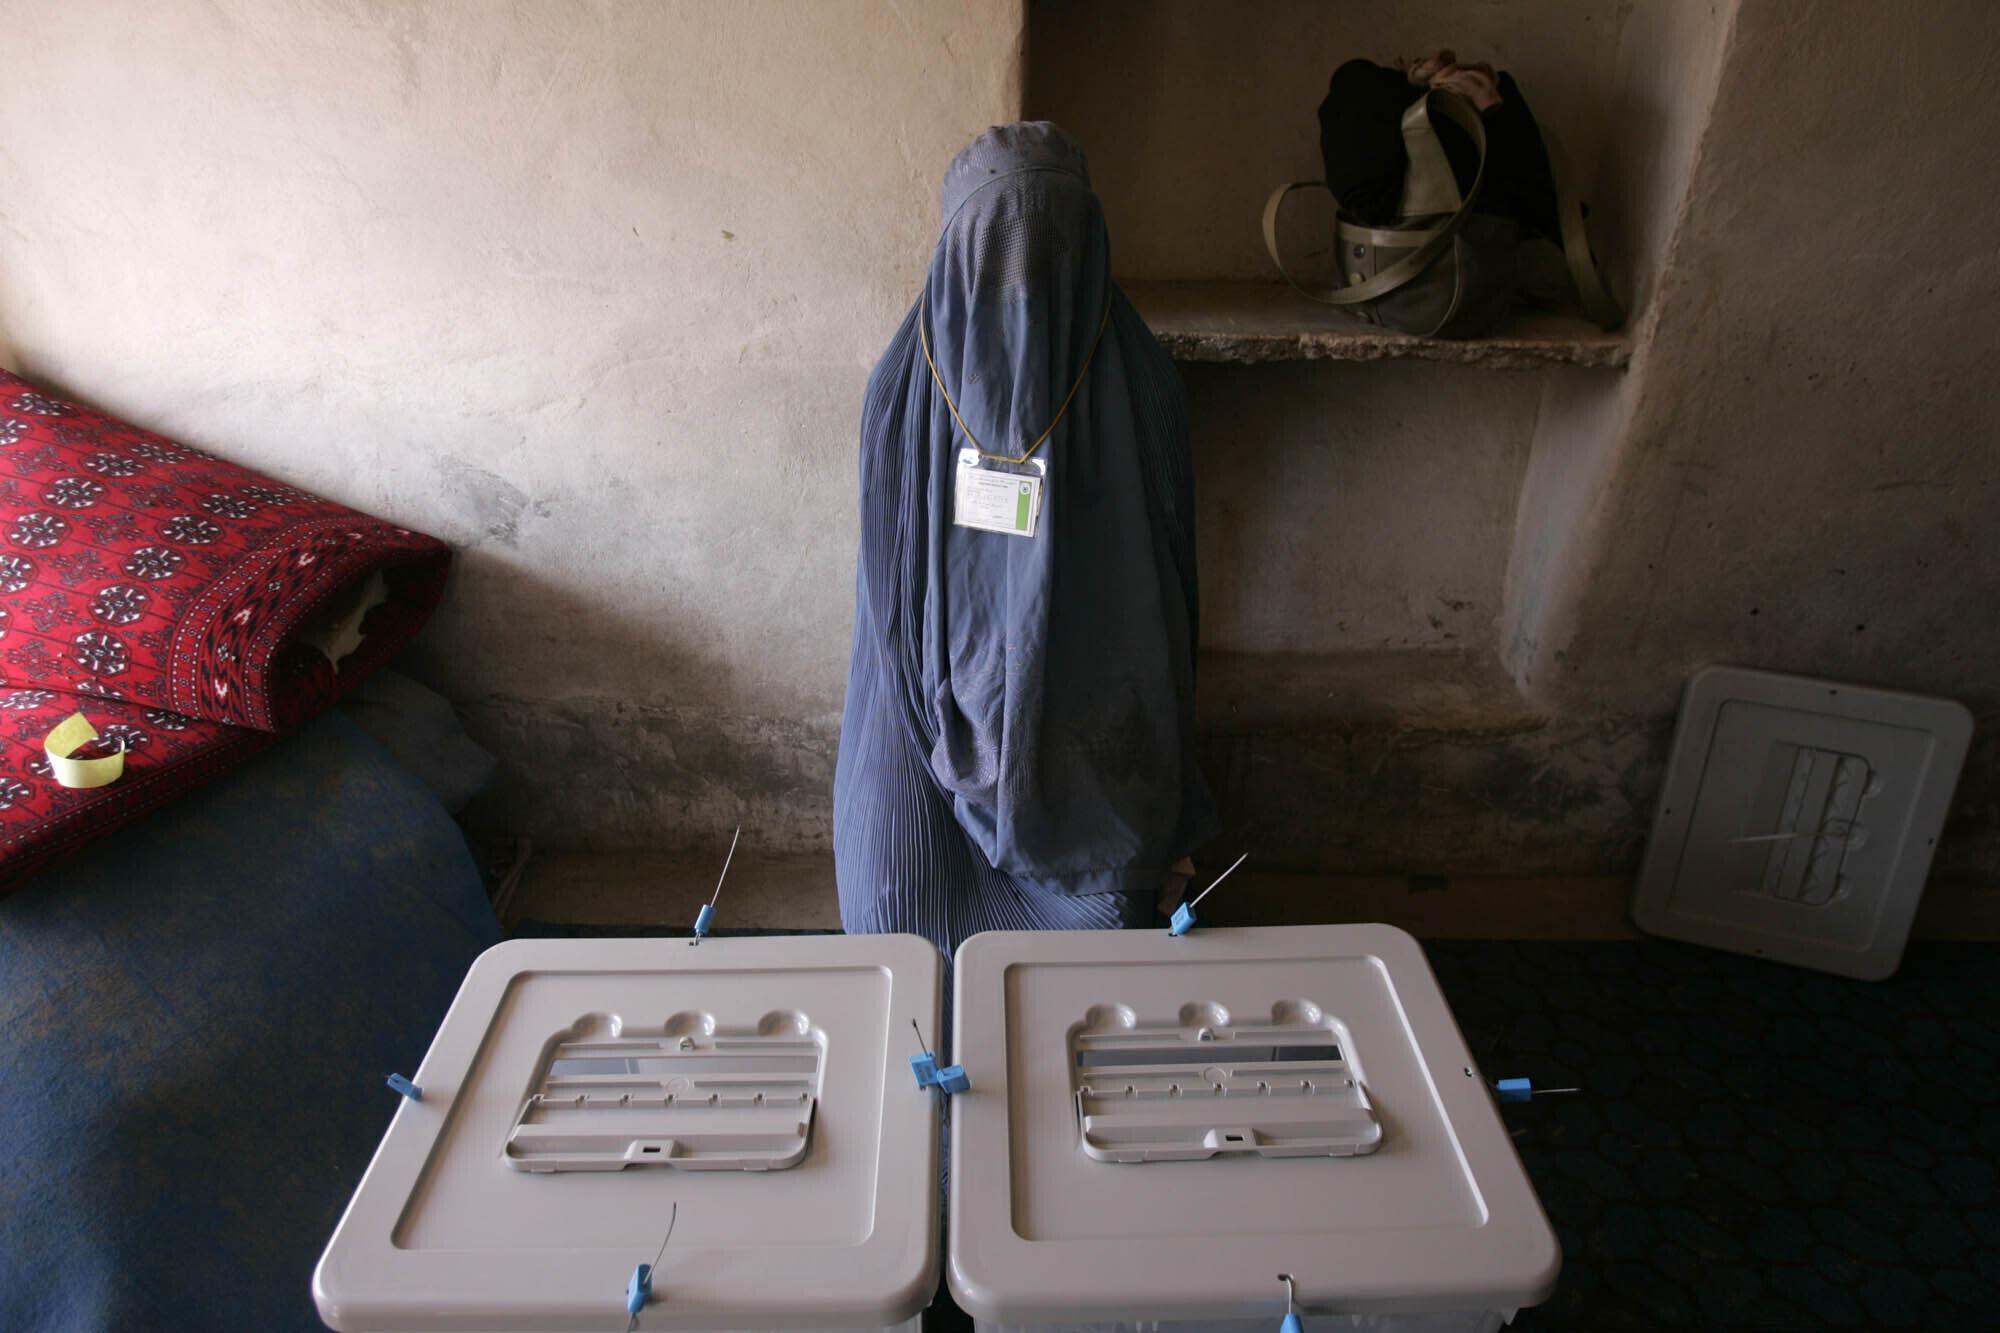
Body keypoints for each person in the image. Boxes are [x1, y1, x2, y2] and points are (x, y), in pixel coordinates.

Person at [833, 122, 1214, 965]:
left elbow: (1174, 593)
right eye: (994, 256)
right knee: (893, 903)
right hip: (923, 706)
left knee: (1107, 900)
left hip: (1096, 713)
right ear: (954, 250)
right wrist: (962, 707)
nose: (1023, 295)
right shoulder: (904, 391)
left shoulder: (1144, 384)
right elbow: (886, 598)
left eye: (1049, 254)